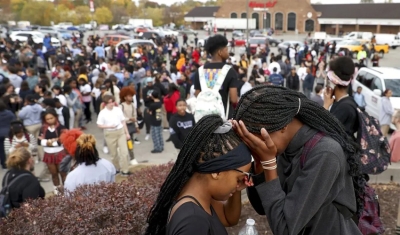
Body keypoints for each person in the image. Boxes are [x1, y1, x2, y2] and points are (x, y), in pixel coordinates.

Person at [233, 85, 364, 235]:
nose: (257, 145)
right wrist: (259, 163)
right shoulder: (283, 146)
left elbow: (285, 229)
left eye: (256, 137)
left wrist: (269, 164)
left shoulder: (325, 154)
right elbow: (262, 207)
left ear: (283, 125)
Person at [146, 115, 252, 235]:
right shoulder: (192, 222)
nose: (239, 183)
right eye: (238, 179)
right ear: (216, 172)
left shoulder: (200, 196)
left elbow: (229, 219)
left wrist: (236, 188)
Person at [194, 34, 238, 119]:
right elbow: (233, 99)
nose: (228, 52)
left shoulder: (200, 71)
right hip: (223, 119)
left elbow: (197, 94)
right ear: (220, 52)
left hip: (204, 120)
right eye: (226, 50)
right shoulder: (230, 71)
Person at [323, 57, 359, 139]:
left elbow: (324, 133)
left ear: (332, 83)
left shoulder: (344, 108)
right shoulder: (349, 102)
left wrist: (325, 106)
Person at [97, 94, 131, 176]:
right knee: (114, 154)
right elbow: (99, 124)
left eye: (112, 102)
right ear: (105, 104)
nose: (112, 104)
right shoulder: (102, 113)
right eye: (109, 103)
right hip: (110, 133)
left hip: (120, 132)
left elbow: (123, 121)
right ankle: (117, 168)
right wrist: (109, 126)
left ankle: (125, 170)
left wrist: (127, 133)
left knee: (124, 152)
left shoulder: (118, 110)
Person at [38, 108, 67, 194]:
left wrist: (48, 142)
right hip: (48, 154)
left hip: (60, 153)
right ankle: (57, 190)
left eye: (51, 118)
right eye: (47, 119)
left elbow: (61, 141)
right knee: (54, 173)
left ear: (56, 117)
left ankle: (66, 190)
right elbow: (39, 141)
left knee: (63, 173)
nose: (50, 120)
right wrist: (51, 141)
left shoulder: (61, 127)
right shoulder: (43, 129)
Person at [119, 86, 139, 165]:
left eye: (132, 96)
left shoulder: (133, 105)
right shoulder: (121, 106)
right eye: (129, 96)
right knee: (125, 143)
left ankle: (131, 157)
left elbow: (135, 116)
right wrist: (130, 119)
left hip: (131, 126)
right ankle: (131, 158)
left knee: (131, 142)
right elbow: (121, 118)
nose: (131, 98)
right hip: (124, 127)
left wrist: (136, 126)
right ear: (125, 97)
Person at [0, 100, 16, 168]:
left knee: (1, 150)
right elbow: (14, 121)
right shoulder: (9, 113)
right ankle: (13, 162)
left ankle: (4, 164)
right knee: (11, 148)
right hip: (9, 133)